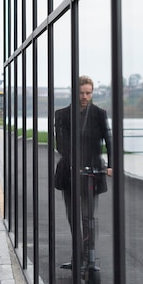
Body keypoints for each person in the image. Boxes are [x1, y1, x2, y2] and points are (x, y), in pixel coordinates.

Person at [54, 75, 113, 270]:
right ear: (74, 93)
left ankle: (89, 254)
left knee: (88, 216)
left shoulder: (99, 113)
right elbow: (61, 144)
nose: (85, 96)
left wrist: (111, 164)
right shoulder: (62, 115)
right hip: (69, 170)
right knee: (73, 216)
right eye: (81, 93)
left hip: (92, 171)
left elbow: (108, 139)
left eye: (88, 93)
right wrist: (74, 162)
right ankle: (77, 255)